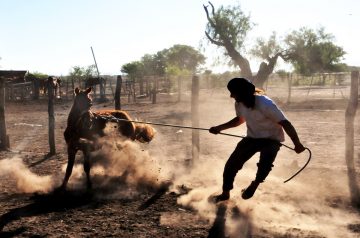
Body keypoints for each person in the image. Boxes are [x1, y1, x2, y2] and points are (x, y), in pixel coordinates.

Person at [209, 77, 305, 202]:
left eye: (233, 92)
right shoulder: (239, 103)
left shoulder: (265, 104)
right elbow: (239, 119)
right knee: (231, 165)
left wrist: (297, 144)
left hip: (272, 140)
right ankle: (225, 193)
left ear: (243, 92)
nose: (231, 96)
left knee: (264, 166)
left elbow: (285, 123)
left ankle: (254, 184)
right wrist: (219, 128)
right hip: (252, 138)